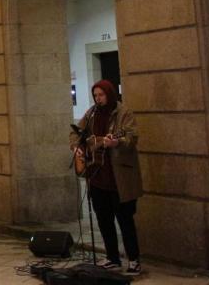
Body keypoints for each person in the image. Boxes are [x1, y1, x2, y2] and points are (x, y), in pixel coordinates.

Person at [70, 79, 143, 275]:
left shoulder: (123, 113)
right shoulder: (92, 114)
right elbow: (76, 132)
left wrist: (116, 142)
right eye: (95, 95)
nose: (98, 99)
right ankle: (112, 258)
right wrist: (77, 147)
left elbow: (132, 137)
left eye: (101, 95)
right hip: (98, 175)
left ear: (109, 94)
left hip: (119, 178)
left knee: (125, 220)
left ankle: (134, 259)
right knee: (104, 219)